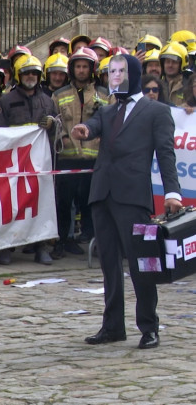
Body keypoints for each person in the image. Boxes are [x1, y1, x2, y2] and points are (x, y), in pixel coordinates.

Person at [71, 54, 182, 350]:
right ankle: (112, 326)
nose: (114, 77)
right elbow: (93, 124)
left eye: (120, 71)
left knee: (141, 264)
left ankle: (149, 326)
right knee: (108, 263)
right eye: (111, 72)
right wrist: (85, 130)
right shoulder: (107, 111)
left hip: (133, 197)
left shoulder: (156, 111)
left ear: (132, 74)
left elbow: (166, 154)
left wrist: (172, 192)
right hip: (102, 193)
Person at [0, 54, 56, 265]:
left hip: (40, 165)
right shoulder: (7, 100)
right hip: (13, 164)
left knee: (41, 206)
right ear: (19, 76)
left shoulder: (47, 100)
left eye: (34, 73)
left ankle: (42, 247)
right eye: (27, 73)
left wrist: (52, 125)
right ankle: (7, 248)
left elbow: (56, 133)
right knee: (10, 205)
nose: (31, 76)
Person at [51, 47, 110, 258]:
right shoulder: (58, 95)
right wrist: (63, 139)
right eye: (78, 66)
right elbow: (54, 124)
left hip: (94, 159)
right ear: (72, 69)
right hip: (67, 158)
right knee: (64, 202)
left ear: (92, 69)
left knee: (91, 203)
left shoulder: (104, 94)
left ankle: (93, 242)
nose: (82, 70)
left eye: (85, 66)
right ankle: (62, 242)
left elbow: (110, 123)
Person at [159, 42, 188, 106]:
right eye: (167, 62)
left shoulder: (189, 86)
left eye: (174, 62)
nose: (170, 65)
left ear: (181, 64)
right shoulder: (157, 86)